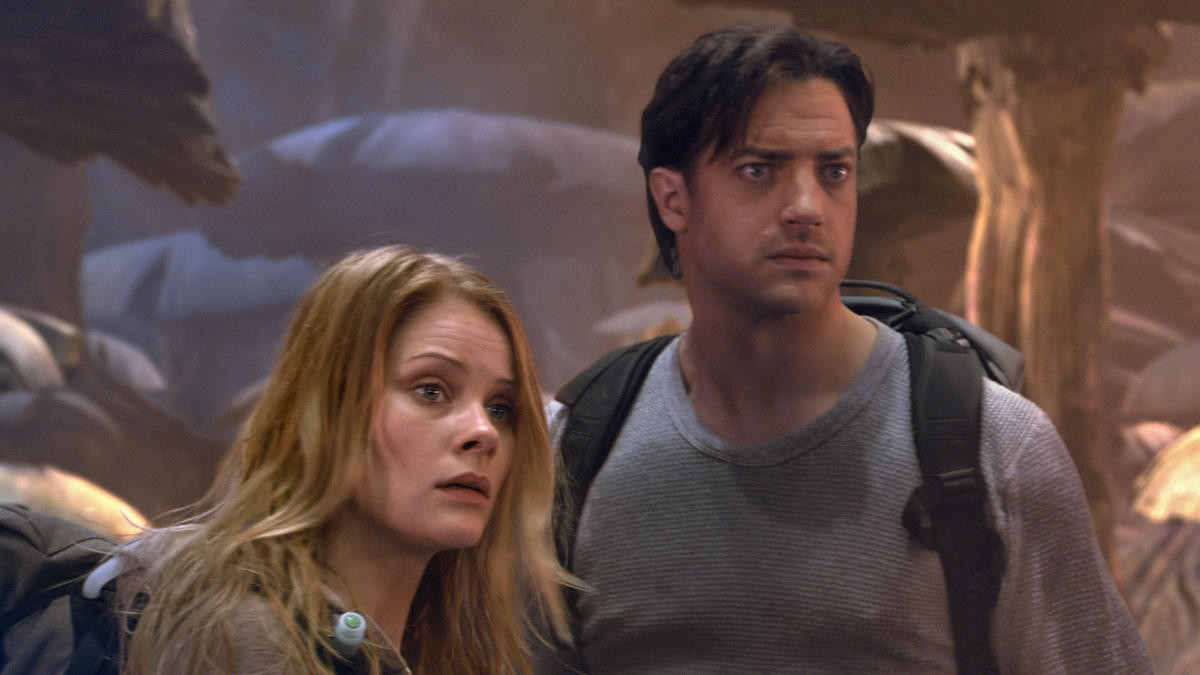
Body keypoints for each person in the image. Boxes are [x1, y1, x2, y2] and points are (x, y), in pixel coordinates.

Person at [542, 25, 1152, 672]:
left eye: (834, 171)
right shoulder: (582, 444)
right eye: (759, 170)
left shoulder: (992, 446)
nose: (807, 206)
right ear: (673, 198)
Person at [106, 246, 568, 673]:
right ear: (327, 407)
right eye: (431, 390)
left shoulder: (445, 647)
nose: (484, 432)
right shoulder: (248, 640)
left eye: (501, 408)